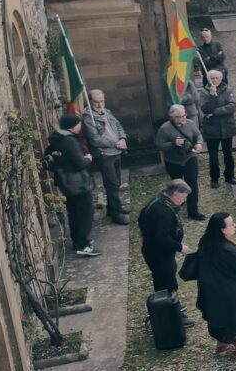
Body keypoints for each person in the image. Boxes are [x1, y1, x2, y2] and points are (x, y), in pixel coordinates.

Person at [194, 212, 236, 359]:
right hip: (229, 289)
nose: (235, 225)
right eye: (231, 224)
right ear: (222, 230)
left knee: (220, 315)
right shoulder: (226, 248)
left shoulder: (207, 242)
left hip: (212, 289)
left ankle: (222, 344)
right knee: (235, 316)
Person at [47, 114, 99, 256]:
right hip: (77, 183)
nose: (80, 126)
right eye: (78, 124)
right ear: (73, 125)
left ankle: (78, 241)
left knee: (74, 212)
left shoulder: (57, 139)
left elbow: (48, 161)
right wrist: (88, 159)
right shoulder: (69, 141)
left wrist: (62, 167)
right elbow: (80, 163)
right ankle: (83, 245)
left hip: (66, 182)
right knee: (85, 213)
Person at [81, 89, 130, 225]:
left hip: (116, 151)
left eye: (102, 101)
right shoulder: (88, 118)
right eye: (96, 102)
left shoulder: (107, 112)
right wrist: (116, 143)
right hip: (104, 154)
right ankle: (116, 214)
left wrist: (122, 138)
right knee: (111, 184)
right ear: (90, 102)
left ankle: (113, 207)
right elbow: (95, 139)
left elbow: (118, 126)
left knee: (117, 182)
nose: (99, 104)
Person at [138, 180, 193, 295]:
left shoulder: (158, 199)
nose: (185, 200)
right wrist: (180, 247)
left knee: (160, 279)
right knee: (167, 283)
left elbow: (141, 218)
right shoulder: (164, 212)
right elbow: (162, 238)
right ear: (175, 194)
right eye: (184, 197)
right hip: (159, 254)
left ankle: (164, 301)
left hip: (153, 250)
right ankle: (168, 303)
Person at [155, 104, 205, 221]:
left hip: (190, 158)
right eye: (179, 117)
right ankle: (176, 207)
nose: (182, 119)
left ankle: (193, 211)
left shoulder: (190, 124)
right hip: (173, 162)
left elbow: (198, 135)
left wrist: (199, 144)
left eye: (184, 116)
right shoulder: (164, 129)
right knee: (176, 186)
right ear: (172, 117)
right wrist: (173, 144)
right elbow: (159, 145)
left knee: (192, 184)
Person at [200, 69, 236, 186]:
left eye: (217, 78)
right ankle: (214, 178)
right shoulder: (204, 92)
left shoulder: (228, 90)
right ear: (209, 79)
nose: (215, 80)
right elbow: (205, 109)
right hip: (212, 129)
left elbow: (231, 107)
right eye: (212, 78)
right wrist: (212, 97)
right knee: (213, 156)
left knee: (228, 154)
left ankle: (229, 176)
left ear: (221, 79)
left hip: (227, 127)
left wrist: (215, 112)